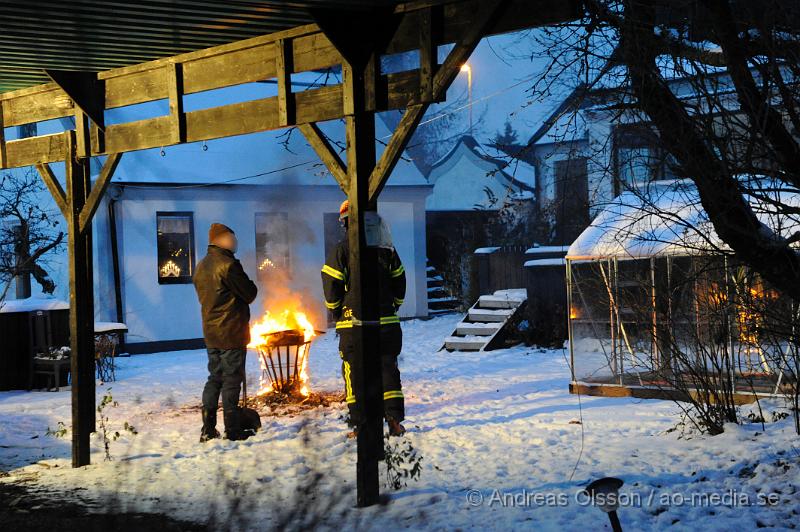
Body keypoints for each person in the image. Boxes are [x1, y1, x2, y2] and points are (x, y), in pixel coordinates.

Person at [321, 200, 406, 438]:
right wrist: (392, 307)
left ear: (345, 222)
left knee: (354, 373)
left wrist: (337, 311)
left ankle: (360, 425)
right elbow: (399, 282)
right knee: (387, 368)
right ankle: (393, 420)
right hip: (386, 325)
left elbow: (331, 287)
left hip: (354, 325)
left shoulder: (342, 250)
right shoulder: (387, 249)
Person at [193, 223, 258, 442]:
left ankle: (208, 429)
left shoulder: (201, 266)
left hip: (211, 332)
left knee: (215, 378)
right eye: (232, 237)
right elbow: (250, 293)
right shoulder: (229, 265)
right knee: (232, 379)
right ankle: (233, 429)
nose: (235, 242)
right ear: (220, 240)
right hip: (231, 331)